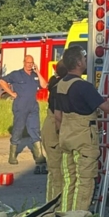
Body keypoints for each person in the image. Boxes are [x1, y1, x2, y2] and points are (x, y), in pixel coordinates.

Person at [54, 46, 109, 212]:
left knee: (69, 180)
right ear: (78, 63)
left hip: (66, 138)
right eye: (83, 57)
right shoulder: (84, 86)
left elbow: (58, 116)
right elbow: (107, 109)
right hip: (83, 140)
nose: (85, 59)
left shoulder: (61, 84)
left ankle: (64, 216)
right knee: (85, 181)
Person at [0, 55, 48, 168]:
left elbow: (44, 85)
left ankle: (39, 156)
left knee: (35, 130)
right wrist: (11, 93)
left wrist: (38, 71)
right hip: (20, 106)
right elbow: (2, 81)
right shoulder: (16, 74)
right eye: (28, 62)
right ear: (24, 62)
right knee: (18, 129)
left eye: (32, 62)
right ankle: (12, 155)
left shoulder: (35, 76)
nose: (30, 65)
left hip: (33, 107)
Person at [41, 61, 68, 202]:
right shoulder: (59, 89)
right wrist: (62, 134)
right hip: (53, 131)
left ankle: (50, 203)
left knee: (53, 171)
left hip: (49, 128)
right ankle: (55, 206)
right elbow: (58, 117)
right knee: (57, 172)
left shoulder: (55, 85)